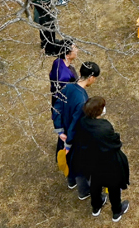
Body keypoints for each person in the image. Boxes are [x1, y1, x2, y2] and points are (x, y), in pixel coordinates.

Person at [71, 97, 131, 222]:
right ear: (98, 111)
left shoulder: (83, 122)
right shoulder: (104, 127)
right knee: (114, 187)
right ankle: (116, 211)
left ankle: (96, 206)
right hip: (108, 163)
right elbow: (114, 143)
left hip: (92, 162)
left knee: (95, 184)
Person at [54, 61, 101, 198]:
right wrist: (68, 141)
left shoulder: (68, 88)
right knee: (78, 163)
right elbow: (76, 124)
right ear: (91, 78)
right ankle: (84, 191)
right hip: (73, 138)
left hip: (63, 133)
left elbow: (57, 106)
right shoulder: (82, 99)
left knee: (68, 159)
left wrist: (59, 130)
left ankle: (70, 181)